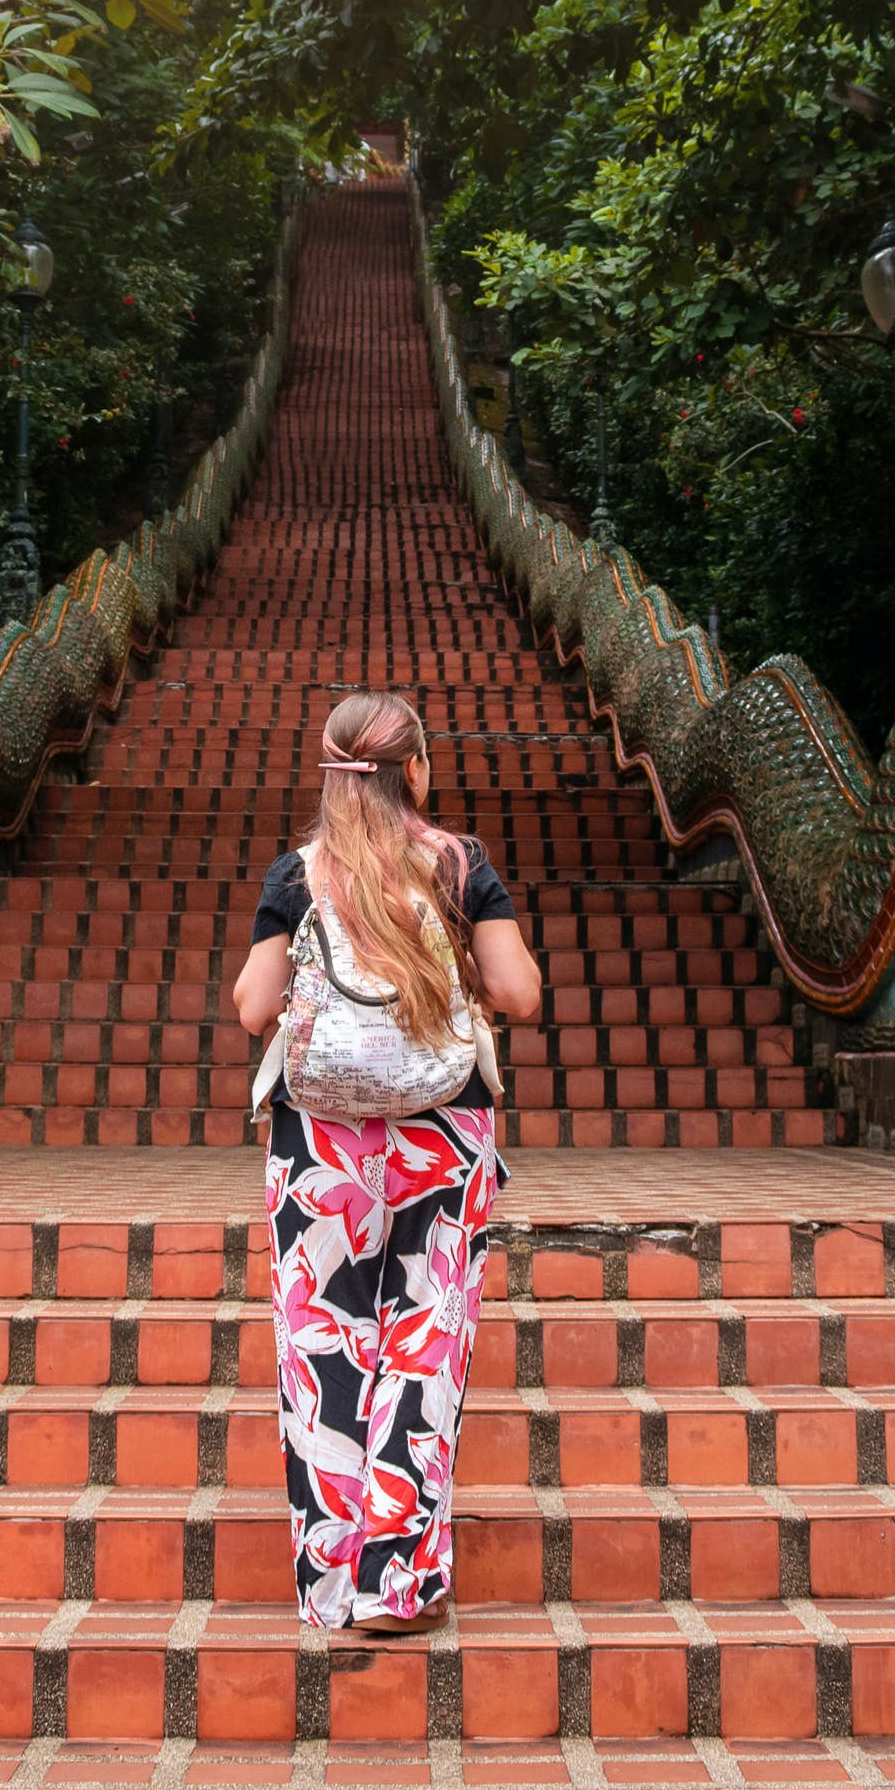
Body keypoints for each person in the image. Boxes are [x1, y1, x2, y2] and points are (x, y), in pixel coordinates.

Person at [231, 689, 544, 1633]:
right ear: (417, 769)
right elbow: (518, 993)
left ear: (330, 772)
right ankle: (398, 1586)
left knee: (325, 1346)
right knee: (425, 1345)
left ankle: (331, 1589)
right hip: (446, 1139)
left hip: (320, 1144)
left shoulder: (297, 874)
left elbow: (253, 1010)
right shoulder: (459, 866)